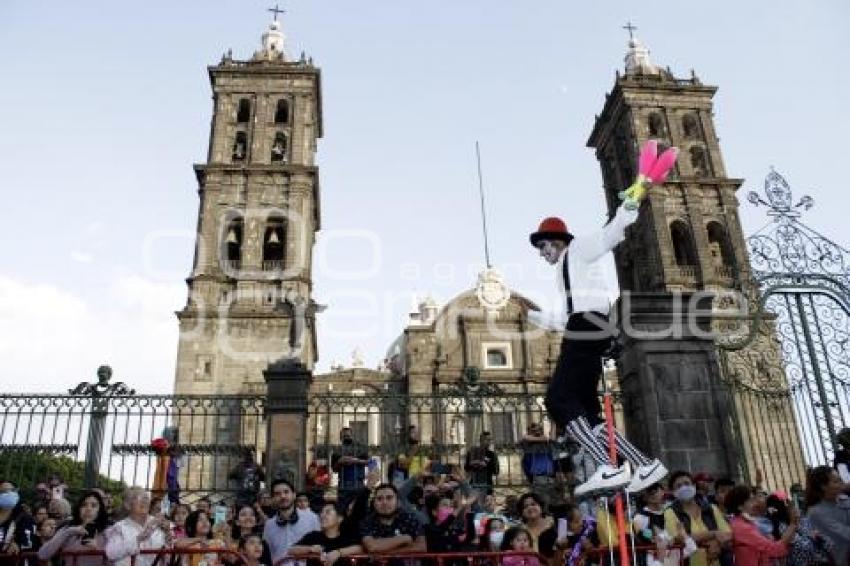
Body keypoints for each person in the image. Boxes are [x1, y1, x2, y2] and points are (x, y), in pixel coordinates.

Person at [528, 199, 666, 495]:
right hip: (587, 325)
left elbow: (607, 237)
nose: (542, 254)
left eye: (543, 247)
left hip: (588, 326)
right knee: (588, 414)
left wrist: (625, 212)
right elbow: (568, 315)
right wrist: (535, 316)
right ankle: (643, 463)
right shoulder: (565, 271)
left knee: (558, 399)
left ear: (555, 242)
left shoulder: (576, 250)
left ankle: (608, 465)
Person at [664, 472, 731, 566]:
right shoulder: (670, 512)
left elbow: (727, 533)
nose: (684, 488)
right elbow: (678, 538)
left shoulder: (711, 508)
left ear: (694, 486)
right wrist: (713, 534)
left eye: (687, 483)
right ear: (673, 492)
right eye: (679, 486)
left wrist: (717, 543)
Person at [725, 485, 796, 565]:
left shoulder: (745, 522)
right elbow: (775, 549)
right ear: (740, 506)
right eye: (751, 500)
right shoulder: (742, 527)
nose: (756, 503)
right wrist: (793, 524)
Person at [38, 491, 110, 566]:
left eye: (93, 506)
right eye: (84, 505)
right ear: (79, 508)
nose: (88, 509)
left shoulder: (107, 532)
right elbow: (42, 554)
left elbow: (114, 562)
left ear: (100, 510)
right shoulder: (68, 530)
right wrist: (69, 532)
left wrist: (97, 550)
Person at [104, 487, 171, 566]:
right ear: (127, 505)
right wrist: (138, 539)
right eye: (137, 497)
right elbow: (110, 553)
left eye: (146, 497)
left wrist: (168, 537)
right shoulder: (119, 527)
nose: (144, 501)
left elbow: (169, 557)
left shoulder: (159, 523)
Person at [262, 479, 319, 564]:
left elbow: (320, 547)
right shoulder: (269, 525)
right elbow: (266, 555)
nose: (283, 496)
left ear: (294, 495)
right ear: (273, 499)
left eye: (286, 492)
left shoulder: (312, 518)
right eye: (277, 494)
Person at [359, 483, 426, 555]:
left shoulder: (410, 519)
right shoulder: (366, 522)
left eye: (389, 498)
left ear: (398, 502)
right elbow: (372, 547)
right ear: (374, 503)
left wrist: (386, 552)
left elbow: (421, 547)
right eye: (379, 499)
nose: (384, 502)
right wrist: (405, 538)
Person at [289, 502, 362, 566]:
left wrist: (338, 553)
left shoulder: (345, 537)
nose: (322, 515)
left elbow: (360, 548)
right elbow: (292, 550)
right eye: (321, 512)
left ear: (340, 518)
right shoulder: (313, 536)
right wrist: (310, 549)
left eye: (328, 512)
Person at [805, 465, 850, 565]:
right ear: (823, 486)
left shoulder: (844, 499)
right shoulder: (816, 512)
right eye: (835, 481)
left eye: (840, 480)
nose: (841, 483)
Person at [0, 480, 38, 562]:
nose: (9, 493)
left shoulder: (24, 518)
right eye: (4, 491)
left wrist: (17, 545)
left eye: (12, 490)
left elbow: (28, 543)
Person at [331, 427, 369, 504]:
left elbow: (369, 462)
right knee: (342, 507)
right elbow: (334, 470)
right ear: (341, 438)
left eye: (348, 436)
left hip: (358, 483)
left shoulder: (360, 448)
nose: (347, 438)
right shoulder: (337, 451)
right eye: (344, 436)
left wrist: (355, 461)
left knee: (359, 507)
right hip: (343, 483)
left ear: (352, 436)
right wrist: (339, 462)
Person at [516, 493, 556, 562]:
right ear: (522, 512)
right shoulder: (520, 531)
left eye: (533, 504)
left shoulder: (553, 524)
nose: (530, 508)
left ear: (541, 506)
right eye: (525, 506)